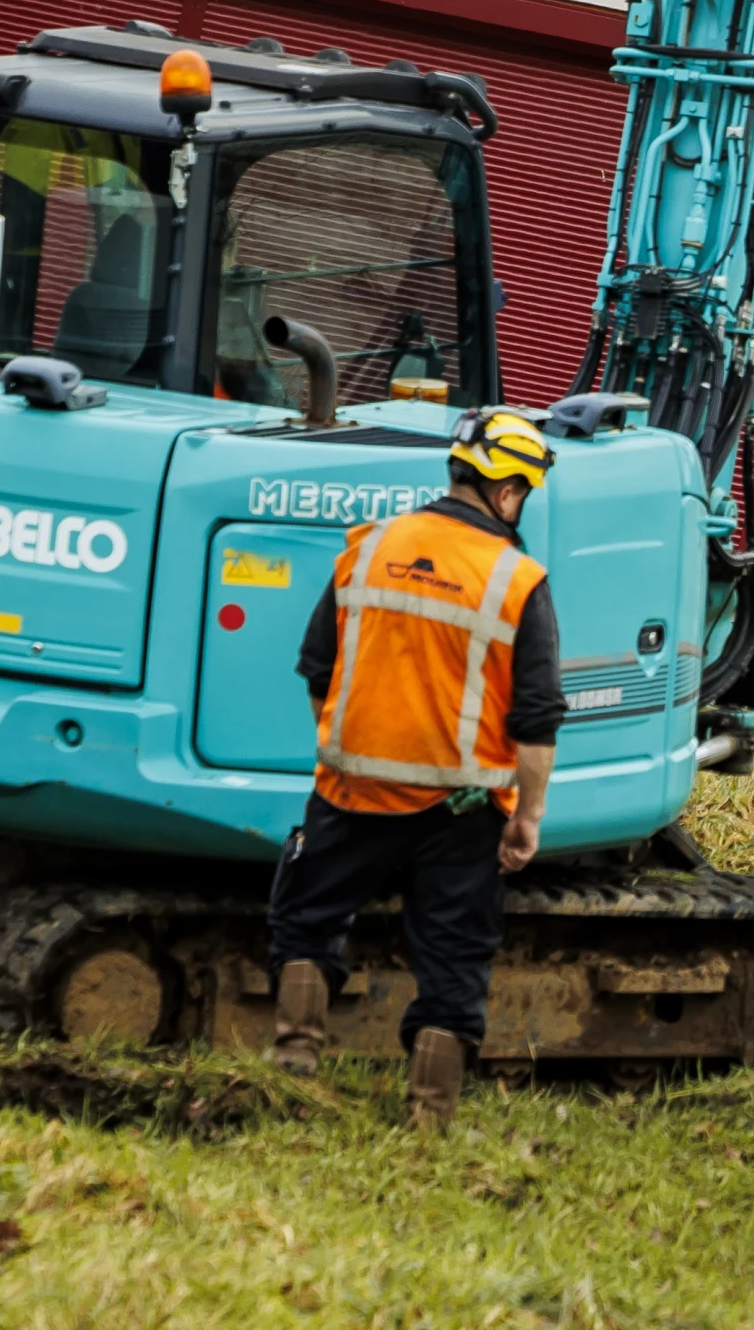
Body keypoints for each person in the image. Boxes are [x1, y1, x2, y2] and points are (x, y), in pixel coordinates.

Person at [265, 405, 563, 1131]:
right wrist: (525, 821)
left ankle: (294, 1067)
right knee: (454, 962)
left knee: (304, 924)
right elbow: (535, 722)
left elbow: (315, 672)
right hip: (459, 814)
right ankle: (428, 1121)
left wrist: (347, 757)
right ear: (509, 492)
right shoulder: (518, 580)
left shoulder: (369, 547)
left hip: (349, 792)